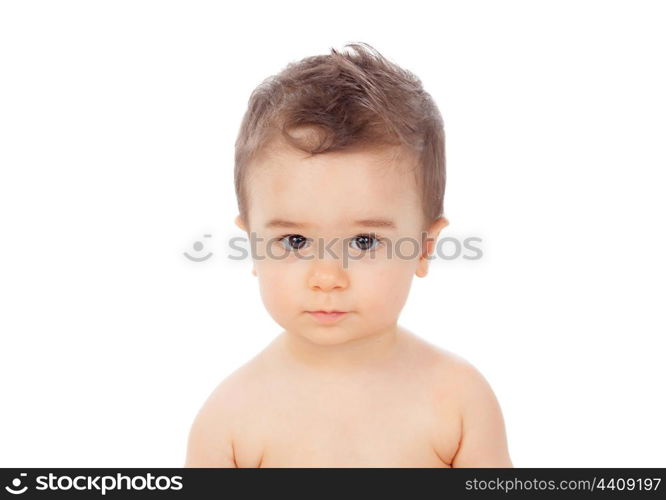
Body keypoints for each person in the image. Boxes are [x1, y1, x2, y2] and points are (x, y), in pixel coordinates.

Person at [185, 42, 512, 467]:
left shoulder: (459, 402)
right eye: (295, 241)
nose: (327, 277)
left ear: (423, 249)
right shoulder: (230, 420)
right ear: (253, 244)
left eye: (364, 242)